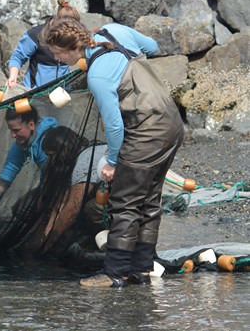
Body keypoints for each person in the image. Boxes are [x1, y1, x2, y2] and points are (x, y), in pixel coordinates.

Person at [41, 16, 184, 287]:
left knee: (125, 200)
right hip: (171, 122)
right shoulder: (115, 30)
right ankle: (141, 268)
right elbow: (151, 46)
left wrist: (112, 162)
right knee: (150, 200)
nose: (58, 60)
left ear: (72, 49)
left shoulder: (97, 75)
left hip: (146, 129)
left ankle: (115, 272)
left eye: (58, 54)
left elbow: (115, 126)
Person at [15, 126, 108, 256]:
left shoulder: (84, 163)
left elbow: (72, 208)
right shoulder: (78, 153)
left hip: (128, 196)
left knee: (91, 208)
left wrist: (46, 245)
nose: (52, 161)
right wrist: (40, 239)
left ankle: (113, 243)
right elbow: (58, 205)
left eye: (52, 155)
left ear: (63, 150)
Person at [0, 107, 58, 232]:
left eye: (17, 130)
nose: (13, 135)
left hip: (67, 182)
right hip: (48, 184)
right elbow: (3, 180)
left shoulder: (50, 140)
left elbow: (55, 180)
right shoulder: (22, 145)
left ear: (31, 125)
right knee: (21, 209)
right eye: (11, 130)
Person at [5, 0, 80, 89]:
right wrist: (13, 76)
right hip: (35, 92)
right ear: (58, 23)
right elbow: (18, 56)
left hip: (61, 94)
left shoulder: (74, 36)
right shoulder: (36, 35)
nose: (70, 33)